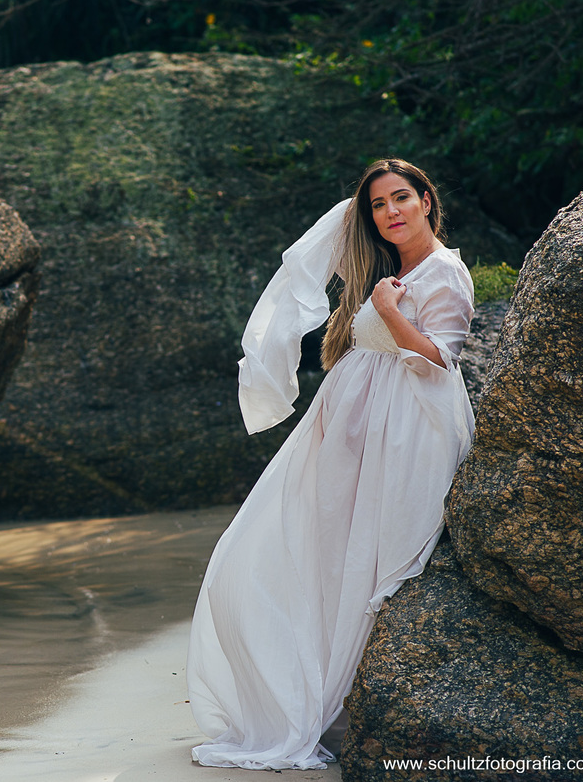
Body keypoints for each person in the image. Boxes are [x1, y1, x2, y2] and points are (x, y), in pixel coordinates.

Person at [187, 159, 475, 770]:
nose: (391, 212)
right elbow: (324, 253)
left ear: (427, 201)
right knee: (306, 557)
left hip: (406, 437)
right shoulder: (393, 269)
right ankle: (326, 700)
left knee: (363, 564)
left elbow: (440, 359)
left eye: (402, 198)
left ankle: (341, 698)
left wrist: (388, 311)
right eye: (378, 205)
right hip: (358, 440)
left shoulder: (444, 271)